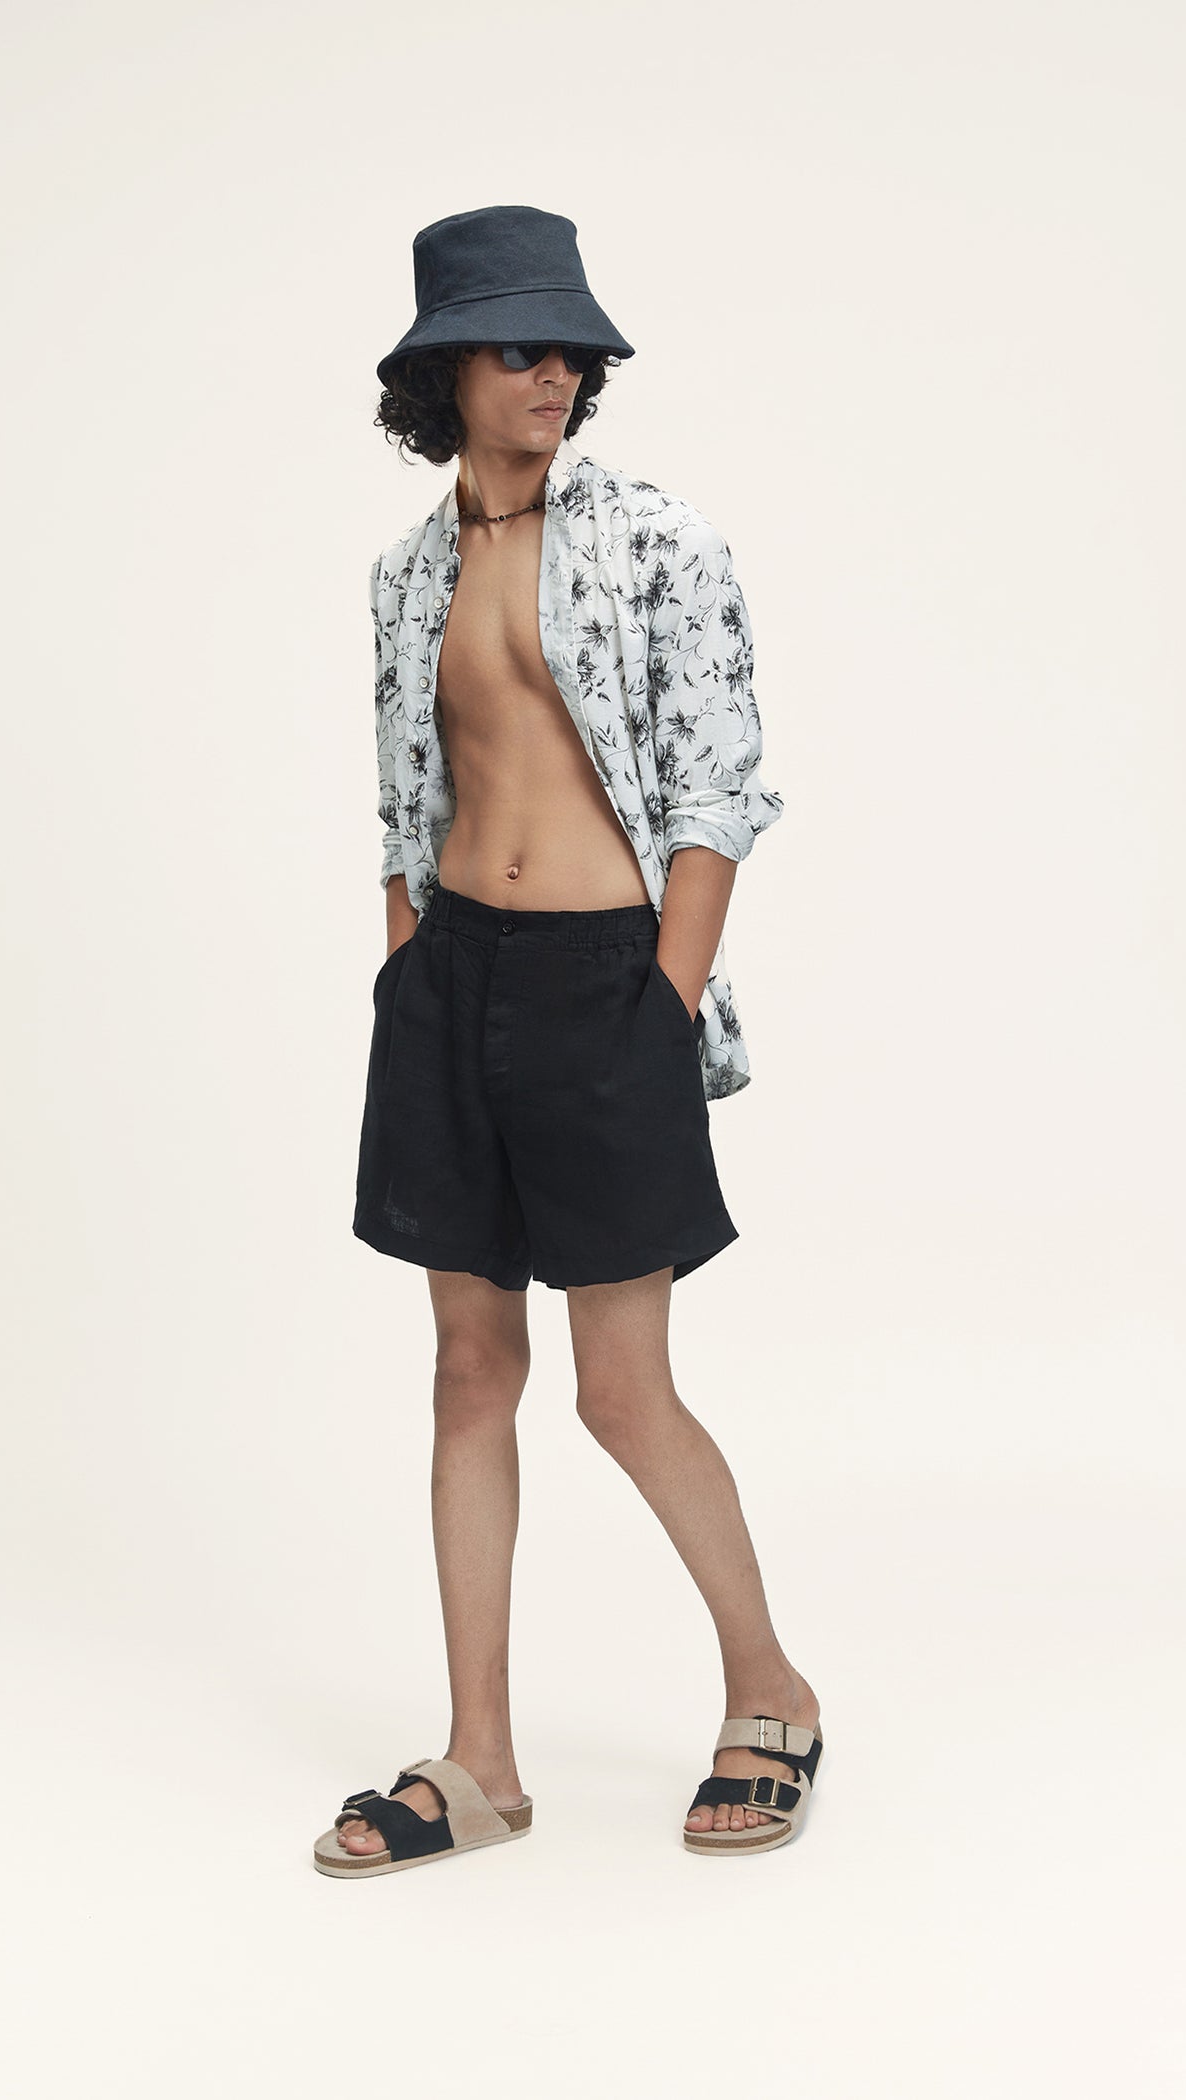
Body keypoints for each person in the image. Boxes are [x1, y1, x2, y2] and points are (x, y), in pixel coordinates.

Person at [315, 206, 822, 1879]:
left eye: (572, 352)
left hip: (608, 984)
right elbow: (404, 802)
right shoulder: (405, 577)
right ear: (444, 373)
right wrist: (409, 975)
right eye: (521, 348)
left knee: (621, 1389)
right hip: (450, 984)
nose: (555, 375)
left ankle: (772, 1692)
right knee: (469, 1372)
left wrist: (662, 999)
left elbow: (719, 785)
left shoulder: (660, 540)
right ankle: (480, 1761)